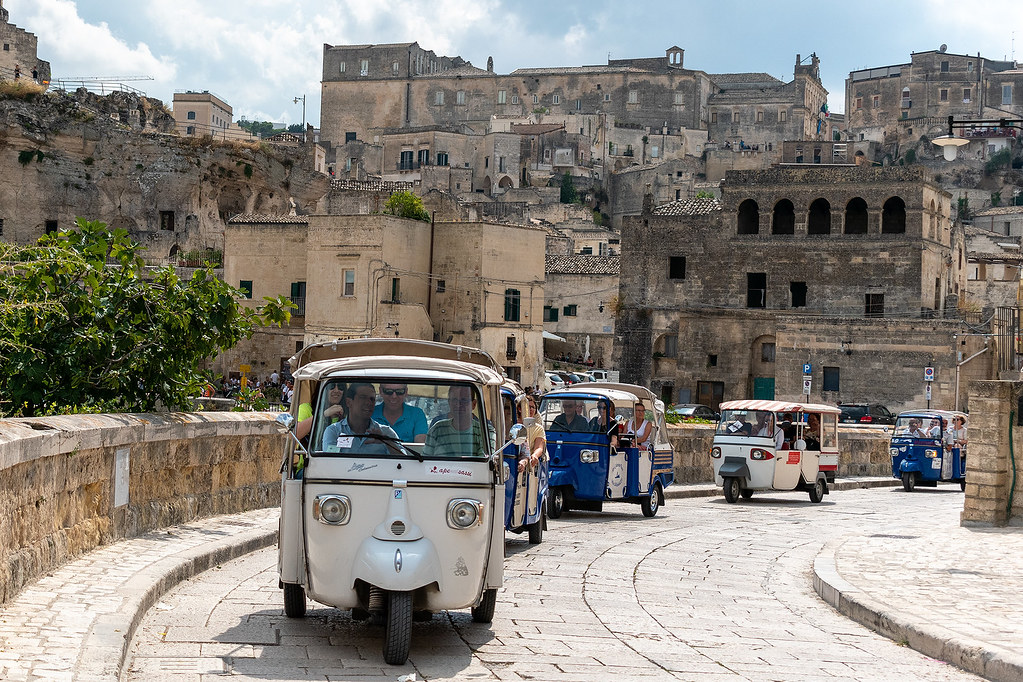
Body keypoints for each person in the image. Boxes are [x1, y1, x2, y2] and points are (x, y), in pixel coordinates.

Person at [321, 383, 398, 454]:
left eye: (372, 399)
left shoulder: (386, 433)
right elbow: (330, 463)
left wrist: (387, 442)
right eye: (363, 398)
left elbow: (404, 462)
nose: (369, 403)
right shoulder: (334, 432)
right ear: (348, 402)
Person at [424, 385, 487, 458]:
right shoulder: (436, 430)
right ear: (449, 402)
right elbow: (425, 461)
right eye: (454, 400)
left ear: (474, 404)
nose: (458, 404)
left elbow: (483, 464)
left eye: (464, 400)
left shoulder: (485, 432)